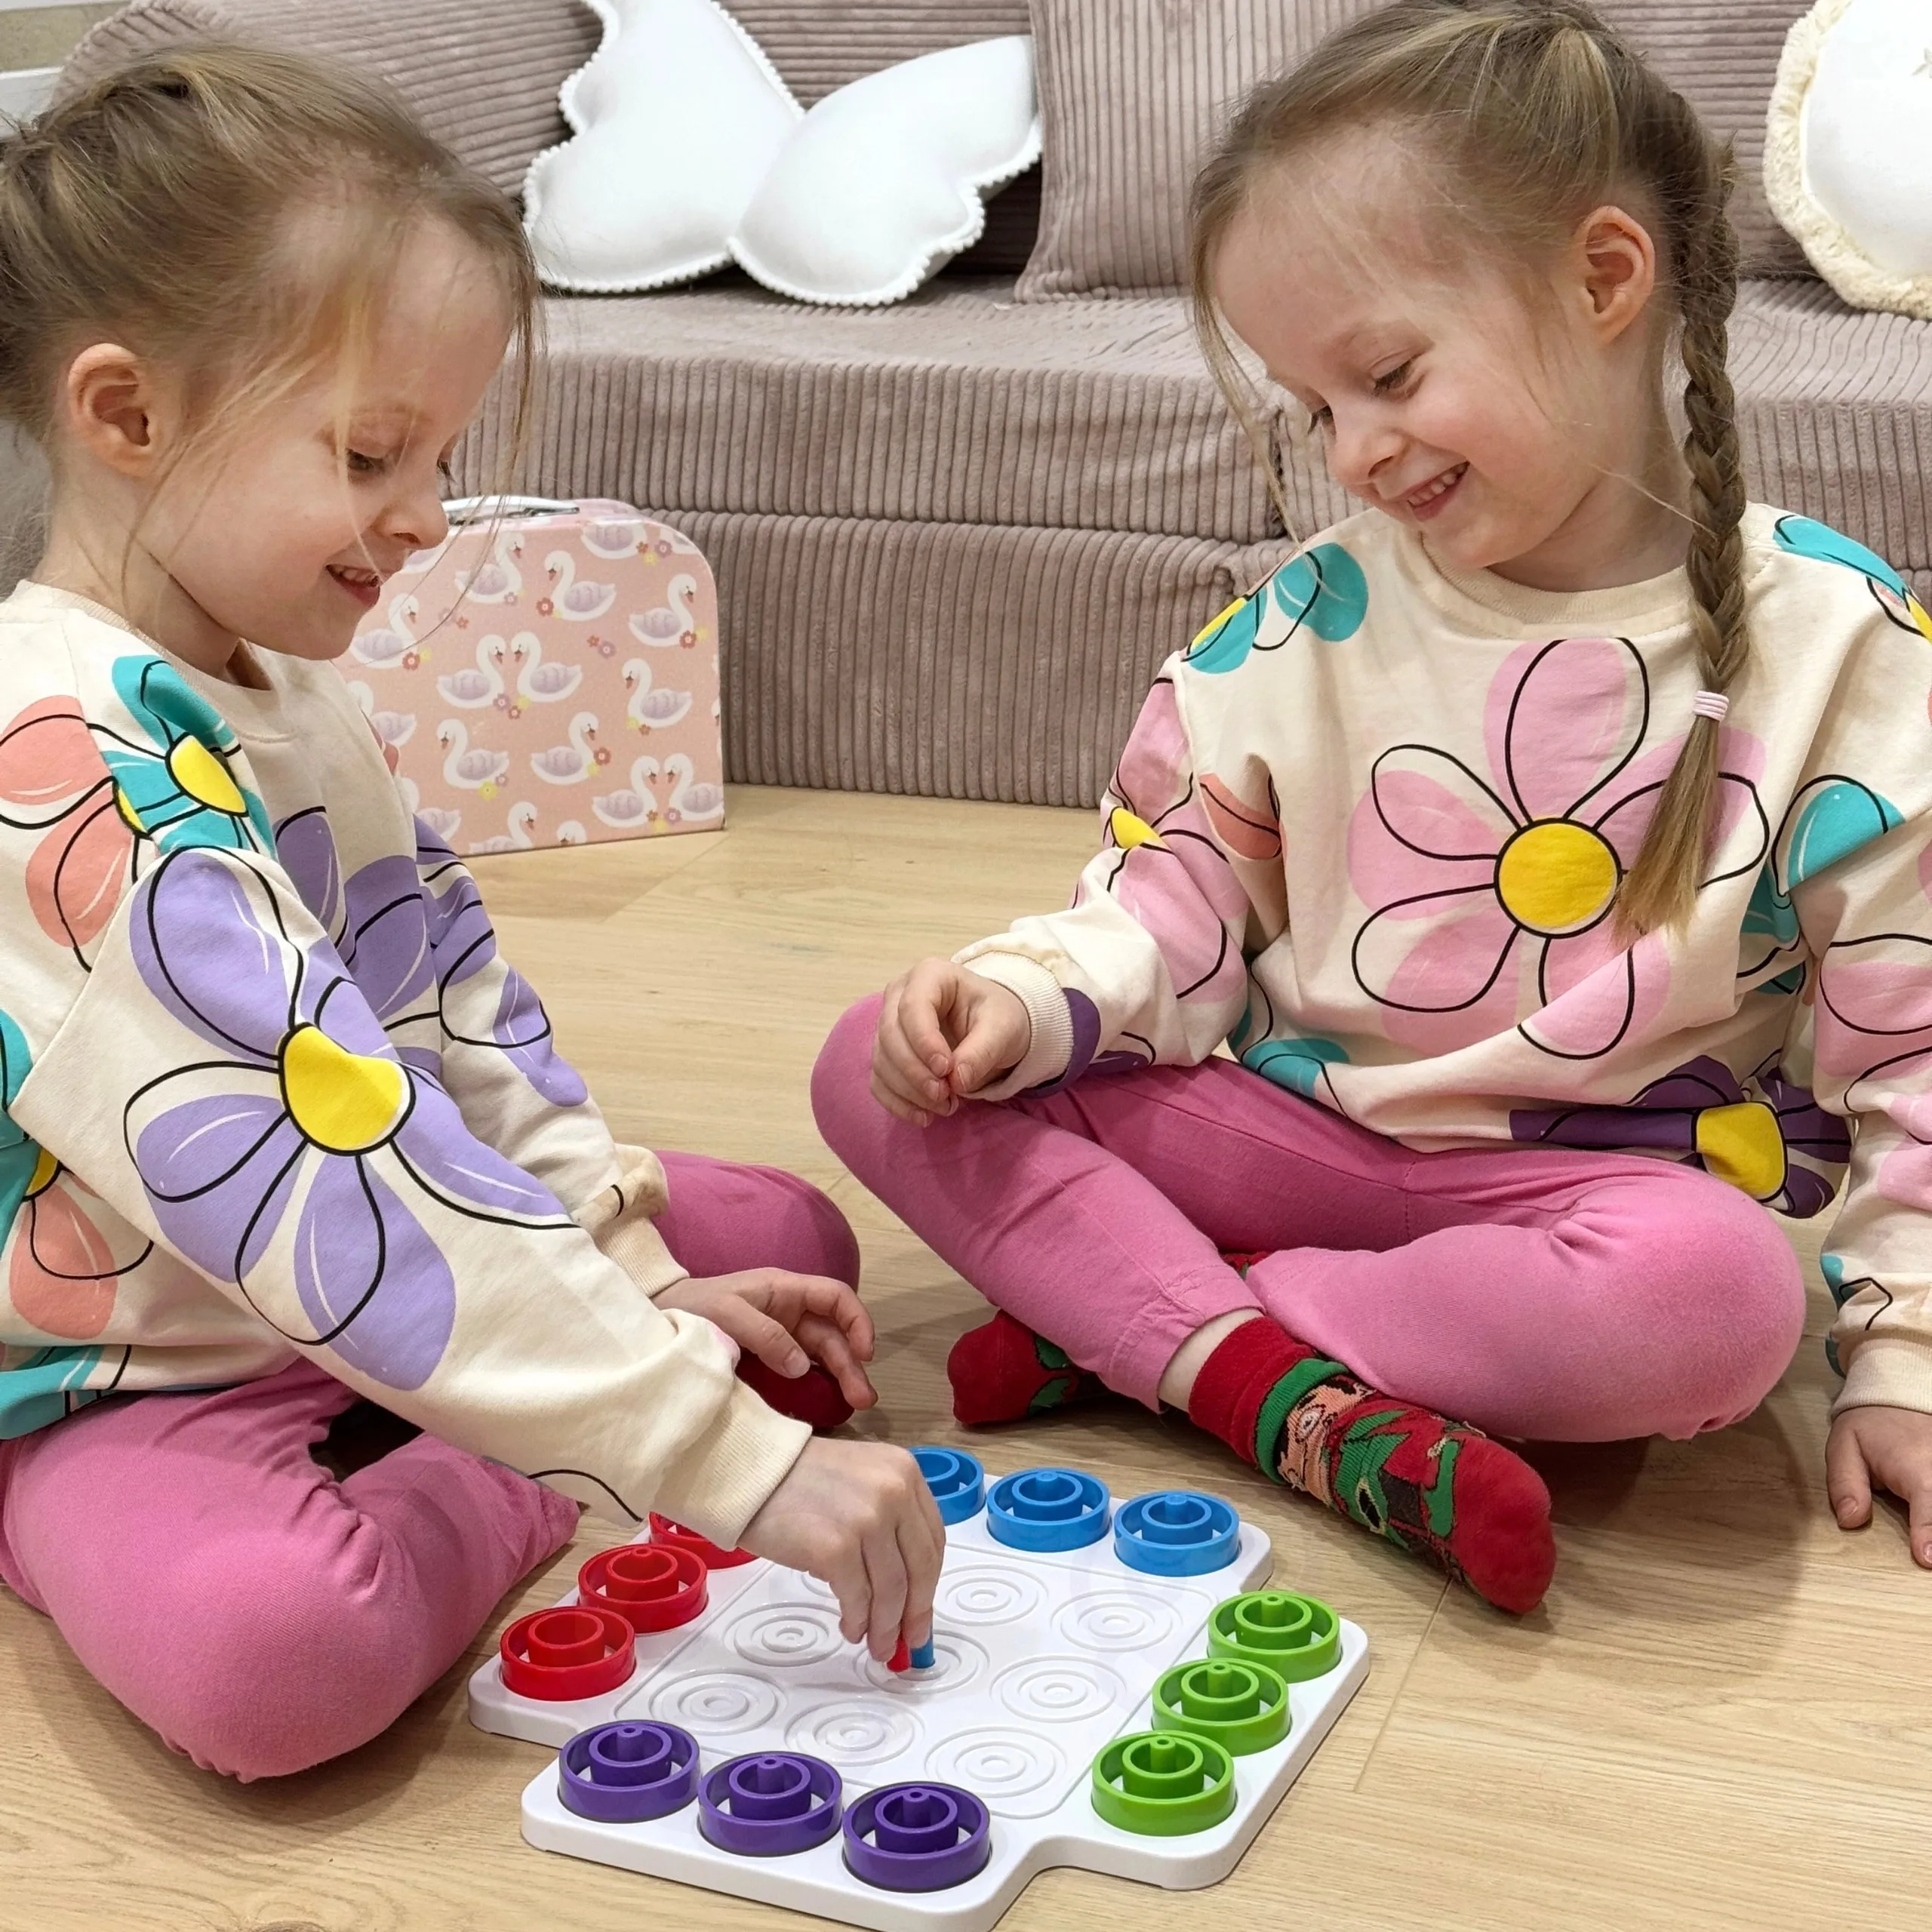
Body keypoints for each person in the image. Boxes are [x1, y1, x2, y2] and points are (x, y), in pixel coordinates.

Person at [814, 0, 1932, 1616]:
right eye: (1311, 408)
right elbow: (1168, 908)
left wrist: (1899, 1349)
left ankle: (1166, 1324)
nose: (1350, 452)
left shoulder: (1843, 650)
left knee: (1719, 1302)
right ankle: (1256, 1376)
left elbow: (1910, 1044)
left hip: (1584, 1207)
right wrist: (1017, 997)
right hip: (1274, 1134)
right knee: (873, 1063)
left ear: (1603, 279)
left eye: (1386, 375)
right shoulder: (1295, 625)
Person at [0, 45, 941, 1780]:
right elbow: (316, 1150)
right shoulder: (63, 765)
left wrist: (639, 1269)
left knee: (782, 1252)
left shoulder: (287, 690)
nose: (427, 519)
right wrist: (706, 1450)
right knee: (274, 1657)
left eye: (436, 454)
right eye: (372, 453)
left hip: (354, 1252)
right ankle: (482, 1439)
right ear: (126, 417)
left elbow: (448, 1020)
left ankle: (499, 1390)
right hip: (136, 1365)